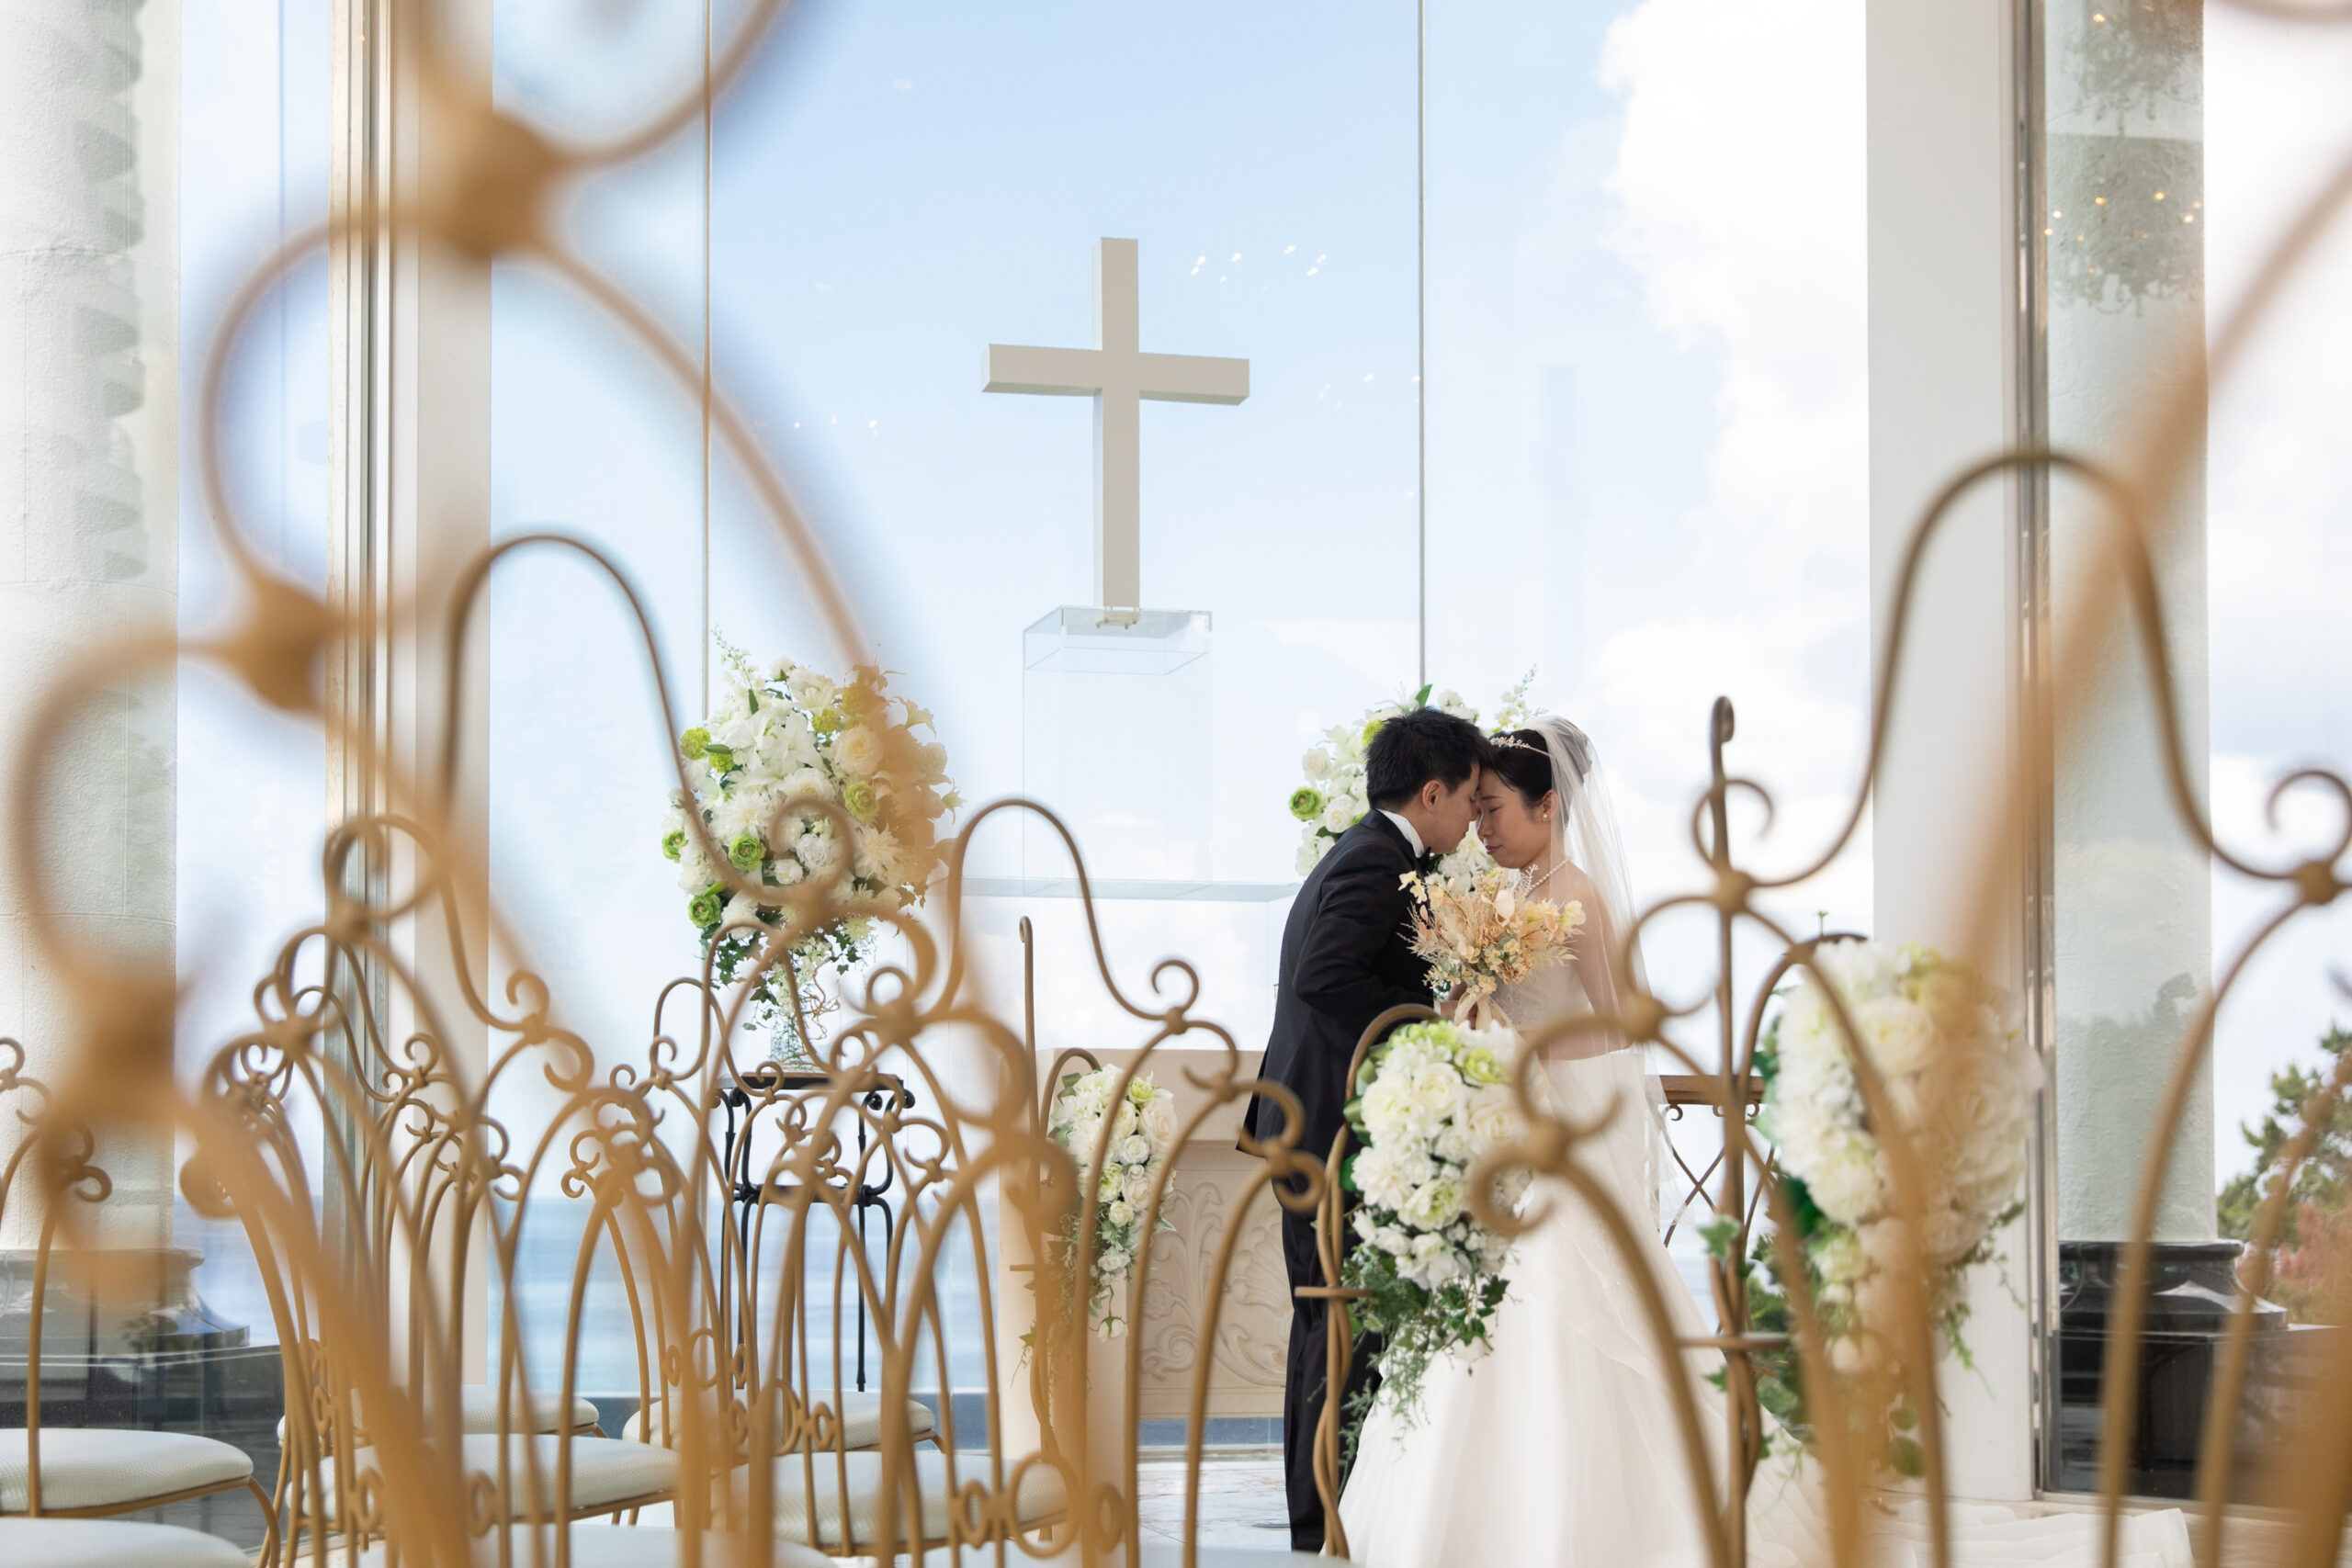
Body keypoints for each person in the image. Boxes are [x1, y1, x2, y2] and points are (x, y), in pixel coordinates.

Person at [1337, 717, 2194, 1568]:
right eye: (1478, 809)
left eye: (1494, 808)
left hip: (1566, 1138)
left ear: (1548, 806)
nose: (1482, 826)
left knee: (1558, 1303)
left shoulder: (1581, 898)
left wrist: (1529, 1044)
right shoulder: (1504, 898)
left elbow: (1622, 1024)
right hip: (1513, 1136)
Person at [1244, 704, 1494, 1553]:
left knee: (1331, 1319)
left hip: (1309, 1119)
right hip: (1325, 1127)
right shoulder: (1376, 862)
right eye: (1469, 798)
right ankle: (1324, 1518)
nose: (1472, 817)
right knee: (1338, 1319)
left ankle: (1323, 1514)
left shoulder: (1369, 849)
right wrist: (1425, 1023)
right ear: (1432, 793)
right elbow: (1324, 977)